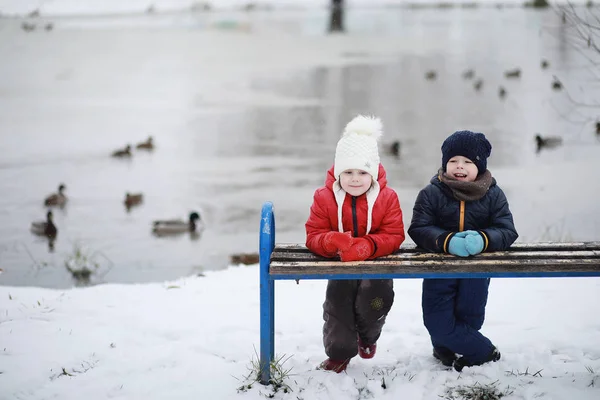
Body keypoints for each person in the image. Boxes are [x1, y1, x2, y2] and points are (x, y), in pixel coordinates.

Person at [408, 130, 518, 372]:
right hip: (439, 269)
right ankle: (484, 351)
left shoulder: (493, 195)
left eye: (468, 161)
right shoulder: (432, 193)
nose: (459, 166)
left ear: (479, 165)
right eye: (453, 161)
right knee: (437, 322)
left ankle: (446, 348)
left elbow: (507, 230)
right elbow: (419, 228)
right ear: (445, 163)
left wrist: (483, 239)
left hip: (475, 271)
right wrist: (446, 241)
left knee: (471, 318)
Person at [305, 115, 405, 373]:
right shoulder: (324, 197)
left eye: (362, 172)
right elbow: (313, 234)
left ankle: (368, 337)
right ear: (338, 172)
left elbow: (394, 234)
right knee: (338, 310)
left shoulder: (387, 198)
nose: (355, 179)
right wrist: (330, 240)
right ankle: (339, 354)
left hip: (377, 266)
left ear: (373, 172)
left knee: (374, 305)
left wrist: (368, 246)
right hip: (340, 267)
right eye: (347, 172)